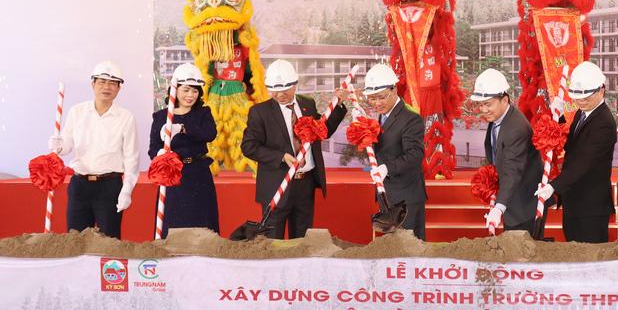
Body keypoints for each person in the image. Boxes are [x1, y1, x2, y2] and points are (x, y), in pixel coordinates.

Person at [241, 59, 347, 239]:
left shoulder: (308, 104)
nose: (280, 94)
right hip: (276, 186)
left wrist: (338, 106)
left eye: (286, 89)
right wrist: (281, 156)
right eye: (275, 90)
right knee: (273, 242)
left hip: (305, 185)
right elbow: (249, 146)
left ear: (295, 84)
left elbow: (322, 130)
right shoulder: (260, 112)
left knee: (302, 240)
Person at [48, 60, 139, 239]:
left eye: (112, 83)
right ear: (93, 84)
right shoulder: (77, 111)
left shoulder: (126, 117)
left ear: (119, 88)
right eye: (102, 82)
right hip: (80, 185)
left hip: (109, 186)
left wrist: (127, 189)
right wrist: (58, 145)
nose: (107, 87)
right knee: (76, 239)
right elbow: (67, 145)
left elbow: (131, 157)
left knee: (110, 242)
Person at [534, 61, 618, 243]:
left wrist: (553, 186)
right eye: (577, 97)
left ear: (601, 90)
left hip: (590, 208)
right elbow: (571, 145)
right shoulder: (583, 112)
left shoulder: (604, 123)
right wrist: (560, 117)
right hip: (574, 201)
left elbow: (584, 163)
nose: (581, 101)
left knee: (589, 256)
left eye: (586, 97)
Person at [469, 68, 545, 235]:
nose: (484, 110)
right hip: (513, 200)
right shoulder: (498, 117)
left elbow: (513, 170)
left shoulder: (516, 128)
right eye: (480, 104)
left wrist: (499, 208)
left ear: (504, 100)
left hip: (524, 205)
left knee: (523, 251)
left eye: (488, 104)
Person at [147, 63, 219, 237]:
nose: (190, 95)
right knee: (172, 223)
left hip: (199, 174)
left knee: (202, 224)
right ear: (175, 89)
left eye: (194, 91)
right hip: (172, 176)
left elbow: (209, 133)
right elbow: (153, 148)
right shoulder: (161, 117)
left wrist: (183, 128)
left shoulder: (203, 113)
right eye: (186, 90)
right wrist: (161, 155)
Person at [363, 64, 427, 239]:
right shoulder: (382, 116)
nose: (377, 103)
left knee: (411, 249)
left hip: (406, 198)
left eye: (381, 97)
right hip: (388, 194)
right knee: (392, 249)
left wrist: (387, 168)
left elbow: (415, 154)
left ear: (394, 89)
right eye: (372, 99)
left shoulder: (410, 118)